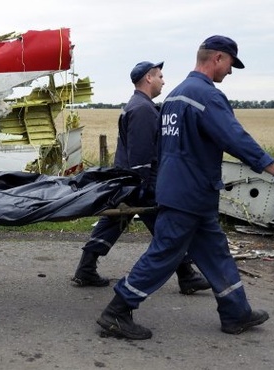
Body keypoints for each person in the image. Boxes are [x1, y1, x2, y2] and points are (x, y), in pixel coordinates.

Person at [96, 35, 274, 340]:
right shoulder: (205, 95)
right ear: (217, 58)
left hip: (191, 192)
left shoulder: (176, 96)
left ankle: (236, 312)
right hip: (189, 194)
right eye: (230, 64)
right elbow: (236, 139)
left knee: (216, 251)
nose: (230, 72)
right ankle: (117, 311)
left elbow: (163, 149)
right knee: (165, 252)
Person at [72, 61, 210, 295]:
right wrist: (145, 187)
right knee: (167, 228)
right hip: (140, 182)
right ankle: (187, 275)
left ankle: (85, 269)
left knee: (114, 222)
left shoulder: (138, 105)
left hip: (129, 181)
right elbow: (141, 153)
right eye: (160, 76)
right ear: (148, 78)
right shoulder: (143, 109)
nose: (163, 81)